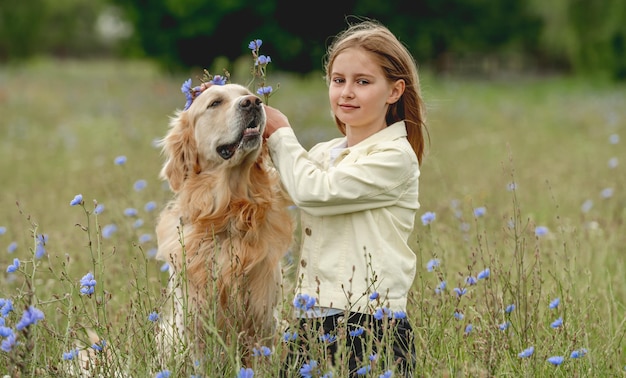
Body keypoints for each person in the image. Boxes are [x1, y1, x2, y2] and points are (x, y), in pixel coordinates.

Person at [263, 19, 427, 377]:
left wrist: (281, 136)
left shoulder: (394, 157)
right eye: (338, 80)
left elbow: (314, 191)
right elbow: (272, 191)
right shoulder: (324, 154)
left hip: (370, 327)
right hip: (310, 323)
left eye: (363, 82)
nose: (346, 92)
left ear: (395, 91)